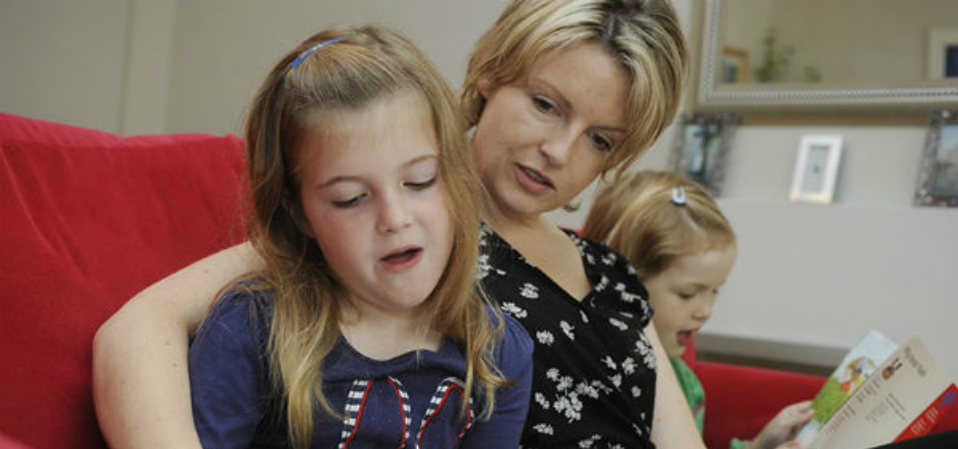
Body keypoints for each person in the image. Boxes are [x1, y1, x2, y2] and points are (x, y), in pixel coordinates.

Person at [94, 1, 707, 448]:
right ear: (488, 77)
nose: (559, 150)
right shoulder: (402, 235)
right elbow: (143, 325)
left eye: (600, 139)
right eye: (546, 105)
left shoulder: (610, 273)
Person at [184, 25, 533, 448]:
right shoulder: (250, 331)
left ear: (456, 178)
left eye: (420, 181)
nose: (394, 218)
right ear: (300, 215)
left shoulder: (498, 351)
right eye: (350, 199)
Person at [582, 170, 814, 449]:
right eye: (688, 294)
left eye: (715, 291)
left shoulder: (683, 380)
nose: (705, 311)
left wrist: (762, 443)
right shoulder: (597, 381)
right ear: (623, 284)